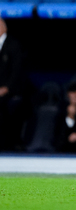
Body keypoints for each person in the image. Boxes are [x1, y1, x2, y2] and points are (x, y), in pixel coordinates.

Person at [0, 18, 25, 151]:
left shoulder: (13, 45)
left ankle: (6, 144)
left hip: (11, 91)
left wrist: (7, 88)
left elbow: (17, 70)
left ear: (4, 28)